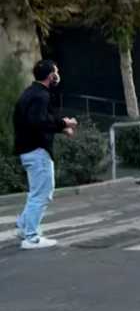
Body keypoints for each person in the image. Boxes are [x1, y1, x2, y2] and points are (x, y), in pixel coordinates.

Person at [12, 60, 78, 250]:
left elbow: (38, 120)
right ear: (51, 76)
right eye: (56, 72)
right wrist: (64, 125)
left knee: (36, 193)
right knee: (43, 194)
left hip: (28, 149)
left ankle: (24, 227)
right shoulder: (41, 96)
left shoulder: (30, 93)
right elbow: (38, 121)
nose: (58, 75)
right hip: (37, 150)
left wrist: (60, 125)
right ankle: (31, 237)